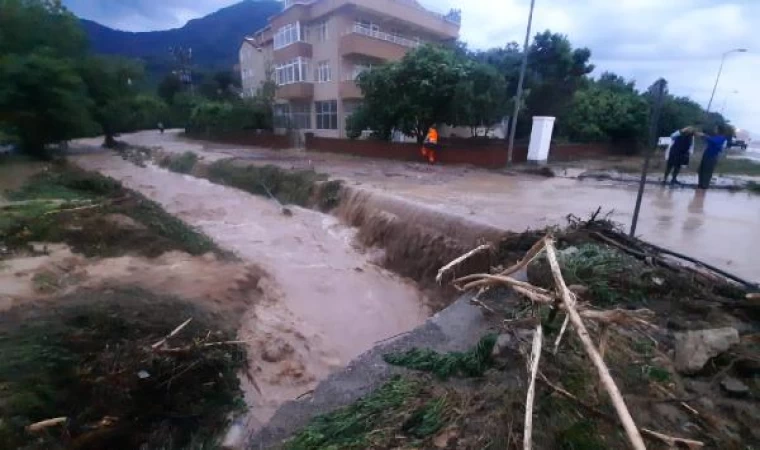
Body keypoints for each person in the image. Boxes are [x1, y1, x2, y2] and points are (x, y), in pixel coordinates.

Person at [697, 125, 728, 190]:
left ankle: (704, 186)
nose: (715, 130)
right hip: (706, 155)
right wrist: (702, 136)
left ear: (719, 130)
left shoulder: (722, 137)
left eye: (716, 129)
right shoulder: (716, 137)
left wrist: (704, 135)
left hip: (712, 156)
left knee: (707, 171)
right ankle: (700, 185)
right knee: (701, 170)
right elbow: (708, 140)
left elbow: (714, 141)